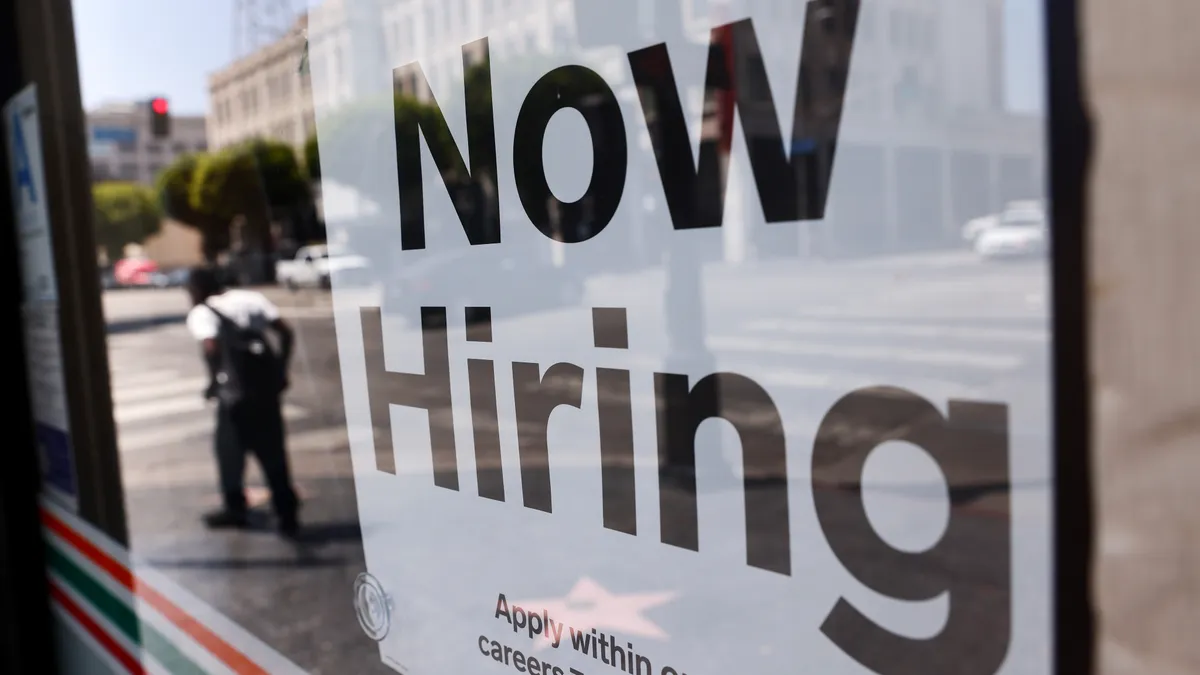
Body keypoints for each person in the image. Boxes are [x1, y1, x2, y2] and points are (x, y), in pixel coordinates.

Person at [185, 266, 300, 537]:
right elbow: (285, 332)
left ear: (198, 289)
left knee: (229, 450)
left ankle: (235, 507)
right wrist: (281, 370)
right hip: (266, 391)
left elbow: (211, 348)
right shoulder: (251, 299)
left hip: (235, 397)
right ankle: (287, 511)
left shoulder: (203, 312)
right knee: (273, 451)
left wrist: (215, 382)